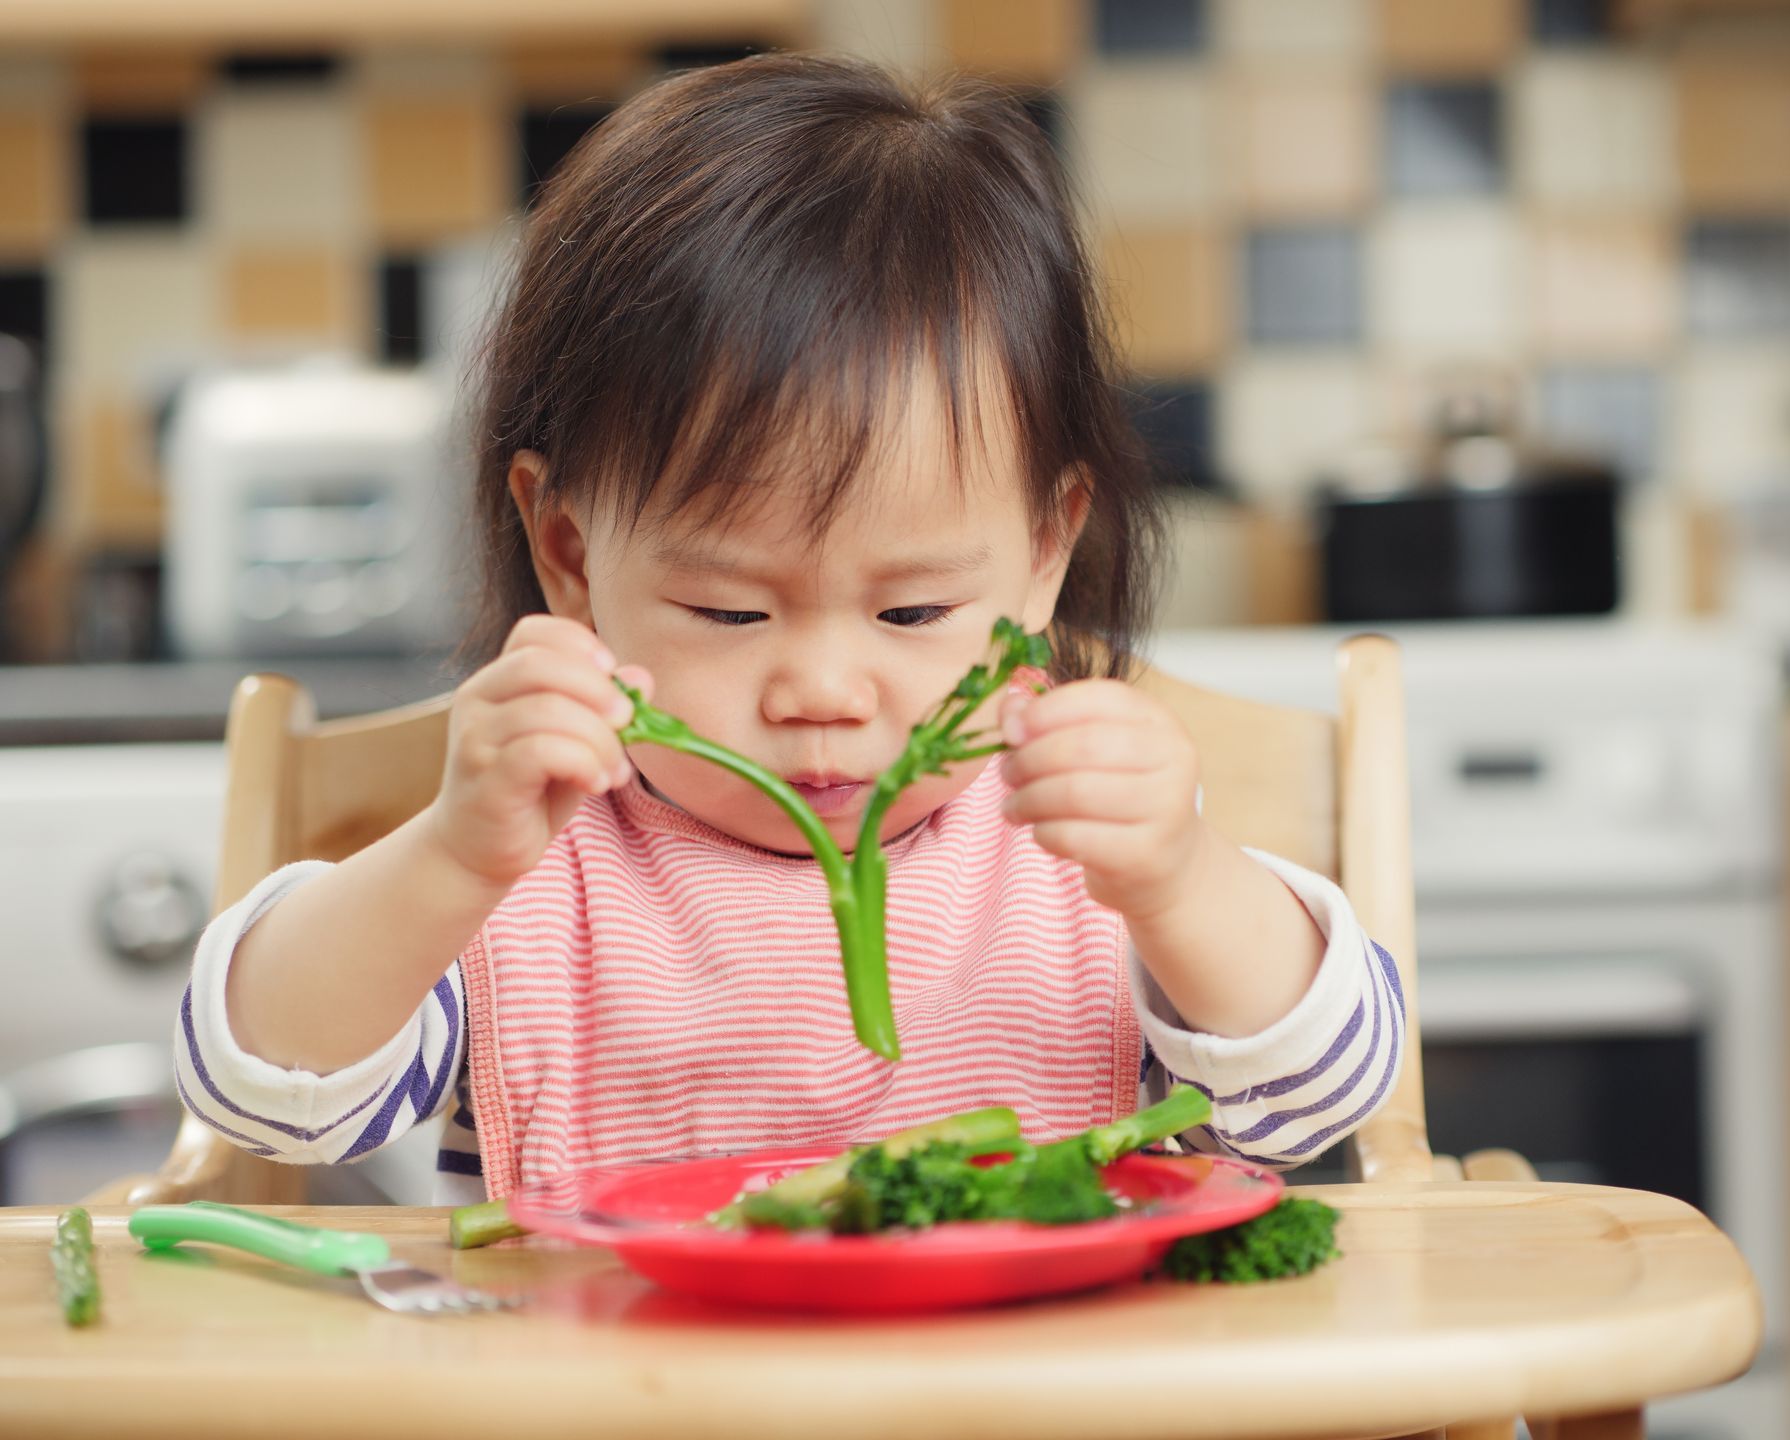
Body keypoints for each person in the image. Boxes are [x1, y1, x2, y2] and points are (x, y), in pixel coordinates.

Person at [174, 54, 1404, 1207]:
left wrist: (1180, 880)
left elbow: (1319, 1104)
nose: (822, 688)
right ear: (570, 555)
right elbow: (265, 1099)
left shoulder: (1088, 850)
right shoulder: (523, 864)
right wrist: (450, 856)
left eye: (912, 611)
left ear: (1044, 557)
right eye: (731, 610)